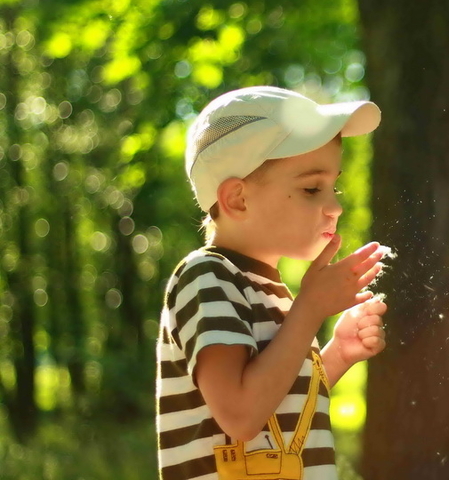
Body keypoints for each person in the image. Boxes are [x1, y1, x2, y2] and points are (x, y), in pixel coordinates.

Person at [156, 86, 389, 480]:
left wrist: (337, 355)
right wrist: (311, 309)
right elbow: (241, 415)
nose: (335, 207)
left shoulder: (274, 293)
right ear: (238, 199)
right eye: (311, 188)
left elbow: (280, 405)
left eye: (333, 188)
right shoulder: (206, 277)